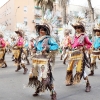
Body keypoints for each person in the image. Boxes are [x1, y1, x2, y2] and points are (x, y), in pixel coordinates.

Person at [28, 23, 59, 100]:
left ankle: (53, 92)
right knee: (33, 75)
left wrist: (47, 48)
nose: (41, 31)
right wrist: (33, 49)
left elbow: (56, 46)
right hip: (36, 59)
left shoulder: (49, 38)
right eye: (40, 29)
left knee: (45, 77)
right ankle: (38, 88)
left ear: (46, 31)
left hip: (44, 59)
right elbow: (36, 47)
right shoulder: (37, 39)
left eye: (43, 29)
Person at [65, 21, 92, 92]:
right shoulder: (73, 36)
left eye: (79, 27)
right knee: (69, 68)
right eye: (76, 28)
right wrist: (69, 46)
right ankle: (70, 80)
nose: (77, 29)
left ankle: (88, 84)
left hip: (80, 55)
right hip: (73, 54)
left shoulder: (84, 36)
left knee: (80, 70)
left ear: (82, 28)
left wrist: (83, 47)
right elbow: (71, 44)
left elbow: (89, 44)